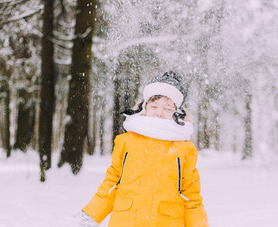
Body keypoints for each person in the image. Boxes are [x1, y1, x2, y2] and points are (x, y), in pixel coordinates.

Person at [80, 71, 208, 227]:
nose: (159, 113)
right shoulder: (126, 141)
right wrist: (93, 213)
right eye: (154, 106)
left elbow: (191, 196)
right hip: (126, 220)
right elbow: (112, 182)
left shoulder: (184, 149)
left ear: (177, 113)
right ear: (144, 107)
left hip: (165, 221)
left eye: (167, 109)